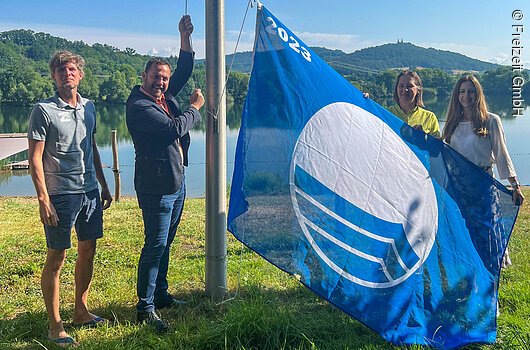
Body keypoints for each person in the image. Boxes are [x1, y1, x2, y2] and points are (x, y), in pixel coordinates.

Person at [28, 50, 112, 347]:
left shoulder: (89, 107)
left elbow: (92, 147)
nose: (67, 74)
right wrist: (43, 199)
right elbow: (34, 159)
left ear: (81, 74)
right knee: (57, 257)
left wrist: (103, 183)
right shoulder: (43, 110)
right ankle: (55, 326)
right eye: (61, 70)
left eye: (72, 69)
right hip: (60, 194)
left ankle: (80, 310)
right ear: (54, 76)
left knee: (88, 250)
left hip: (89, 191)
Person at [126, 15, 205, 333]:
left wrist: (184, 36)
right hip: (156, 186)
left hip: (177, 181)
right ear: (144, 76)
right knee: (155, 245)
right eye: (156, 76)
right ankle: (144, 307)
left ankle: (160, 294)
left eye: (164, 78)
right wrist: (195, 108)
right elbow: (174, 128)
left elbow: (184, 69)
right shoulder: (139, 106)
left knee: (167, 243)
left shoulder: (167, 98)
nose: (161, 82)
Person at [442, 75, 524, 268]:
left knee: (487, 223)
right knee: (463, 224)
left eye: (471, 91)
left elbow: (502, 155)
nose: (466, 96)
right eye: (462, 91)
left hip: (482, 182)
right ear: (456, 95)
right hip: (458, 184)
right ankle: (468, 264)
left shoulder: (491, 121)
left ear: (478, 94)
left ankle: (492, 262)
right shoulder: (452, 122)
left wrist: (515, 185)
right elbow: (445, 153)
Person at [387, 70, 440, 137]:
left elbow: (437, 145)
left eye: (410, 86)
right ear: (396, 88)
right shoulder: (385, 113)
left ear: (418, 90)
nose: (405, 89)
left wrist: (424, 138)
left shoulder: (430, 118)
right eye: (401, 86)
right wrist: (368, 104)